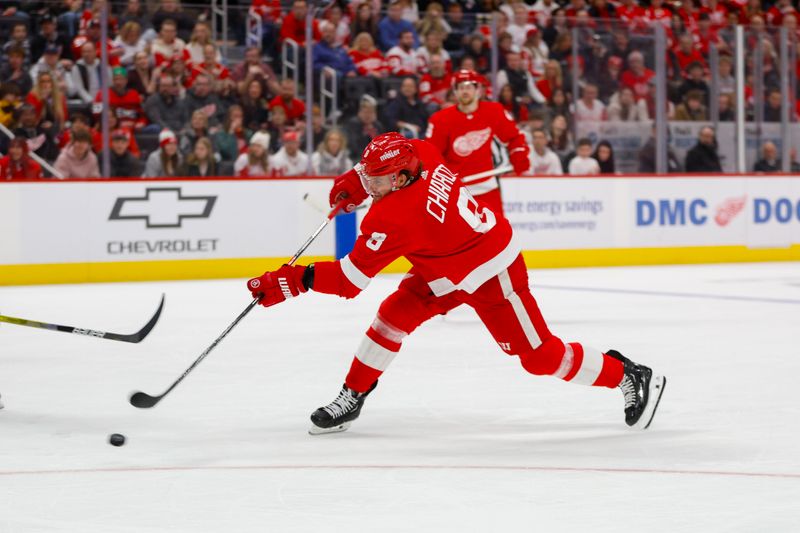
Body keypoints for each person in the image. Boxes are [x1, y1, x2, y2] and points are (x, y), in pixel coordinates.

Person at [246, 133, 666, 435]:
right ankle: (352, 396)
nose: (370, 187)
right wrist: (356, 179)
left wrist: (292, 281)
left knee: (539, 358)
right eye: (371, 179)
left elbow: (351, 281)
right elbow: (377, 159)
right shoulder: (420, 152)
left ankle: (627, 374)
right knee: (392, 315)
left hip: (490, 271)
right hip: (444, 266)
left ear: (402, 178)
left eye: (378, 181)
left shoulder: (392, 217)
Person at [425, 69, 531, 215]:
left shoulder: (494, 111)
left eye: (469, 87)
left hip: (487, 187)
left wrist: (518, 155)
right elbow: (431, 154)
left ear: (478, 90)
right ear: (455, 92)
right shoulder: (440, 119)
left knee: (497, 233)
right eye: (460, 87)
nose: (465, 91)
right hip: (456, 192)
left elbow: (515, 137)